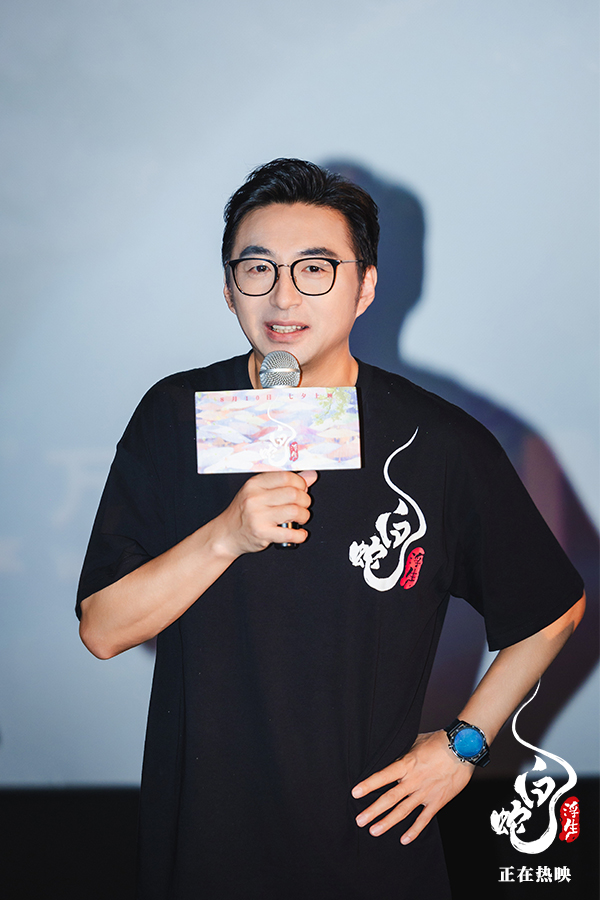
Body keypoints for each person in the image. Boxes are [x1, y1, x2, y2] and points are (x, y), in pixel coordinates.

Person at [77, 158, 585, 900]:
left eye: (315, 269)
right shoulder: (176, 416)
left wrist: (464, 746)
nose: (283, 296)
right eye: (257, 268)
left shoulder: (435, 441)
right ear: (228, 287)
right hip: (205, 846)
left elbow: (552, 608)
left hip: (370, 848)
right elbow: (102, 629)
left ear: (365, 286)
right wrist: (226, 535)